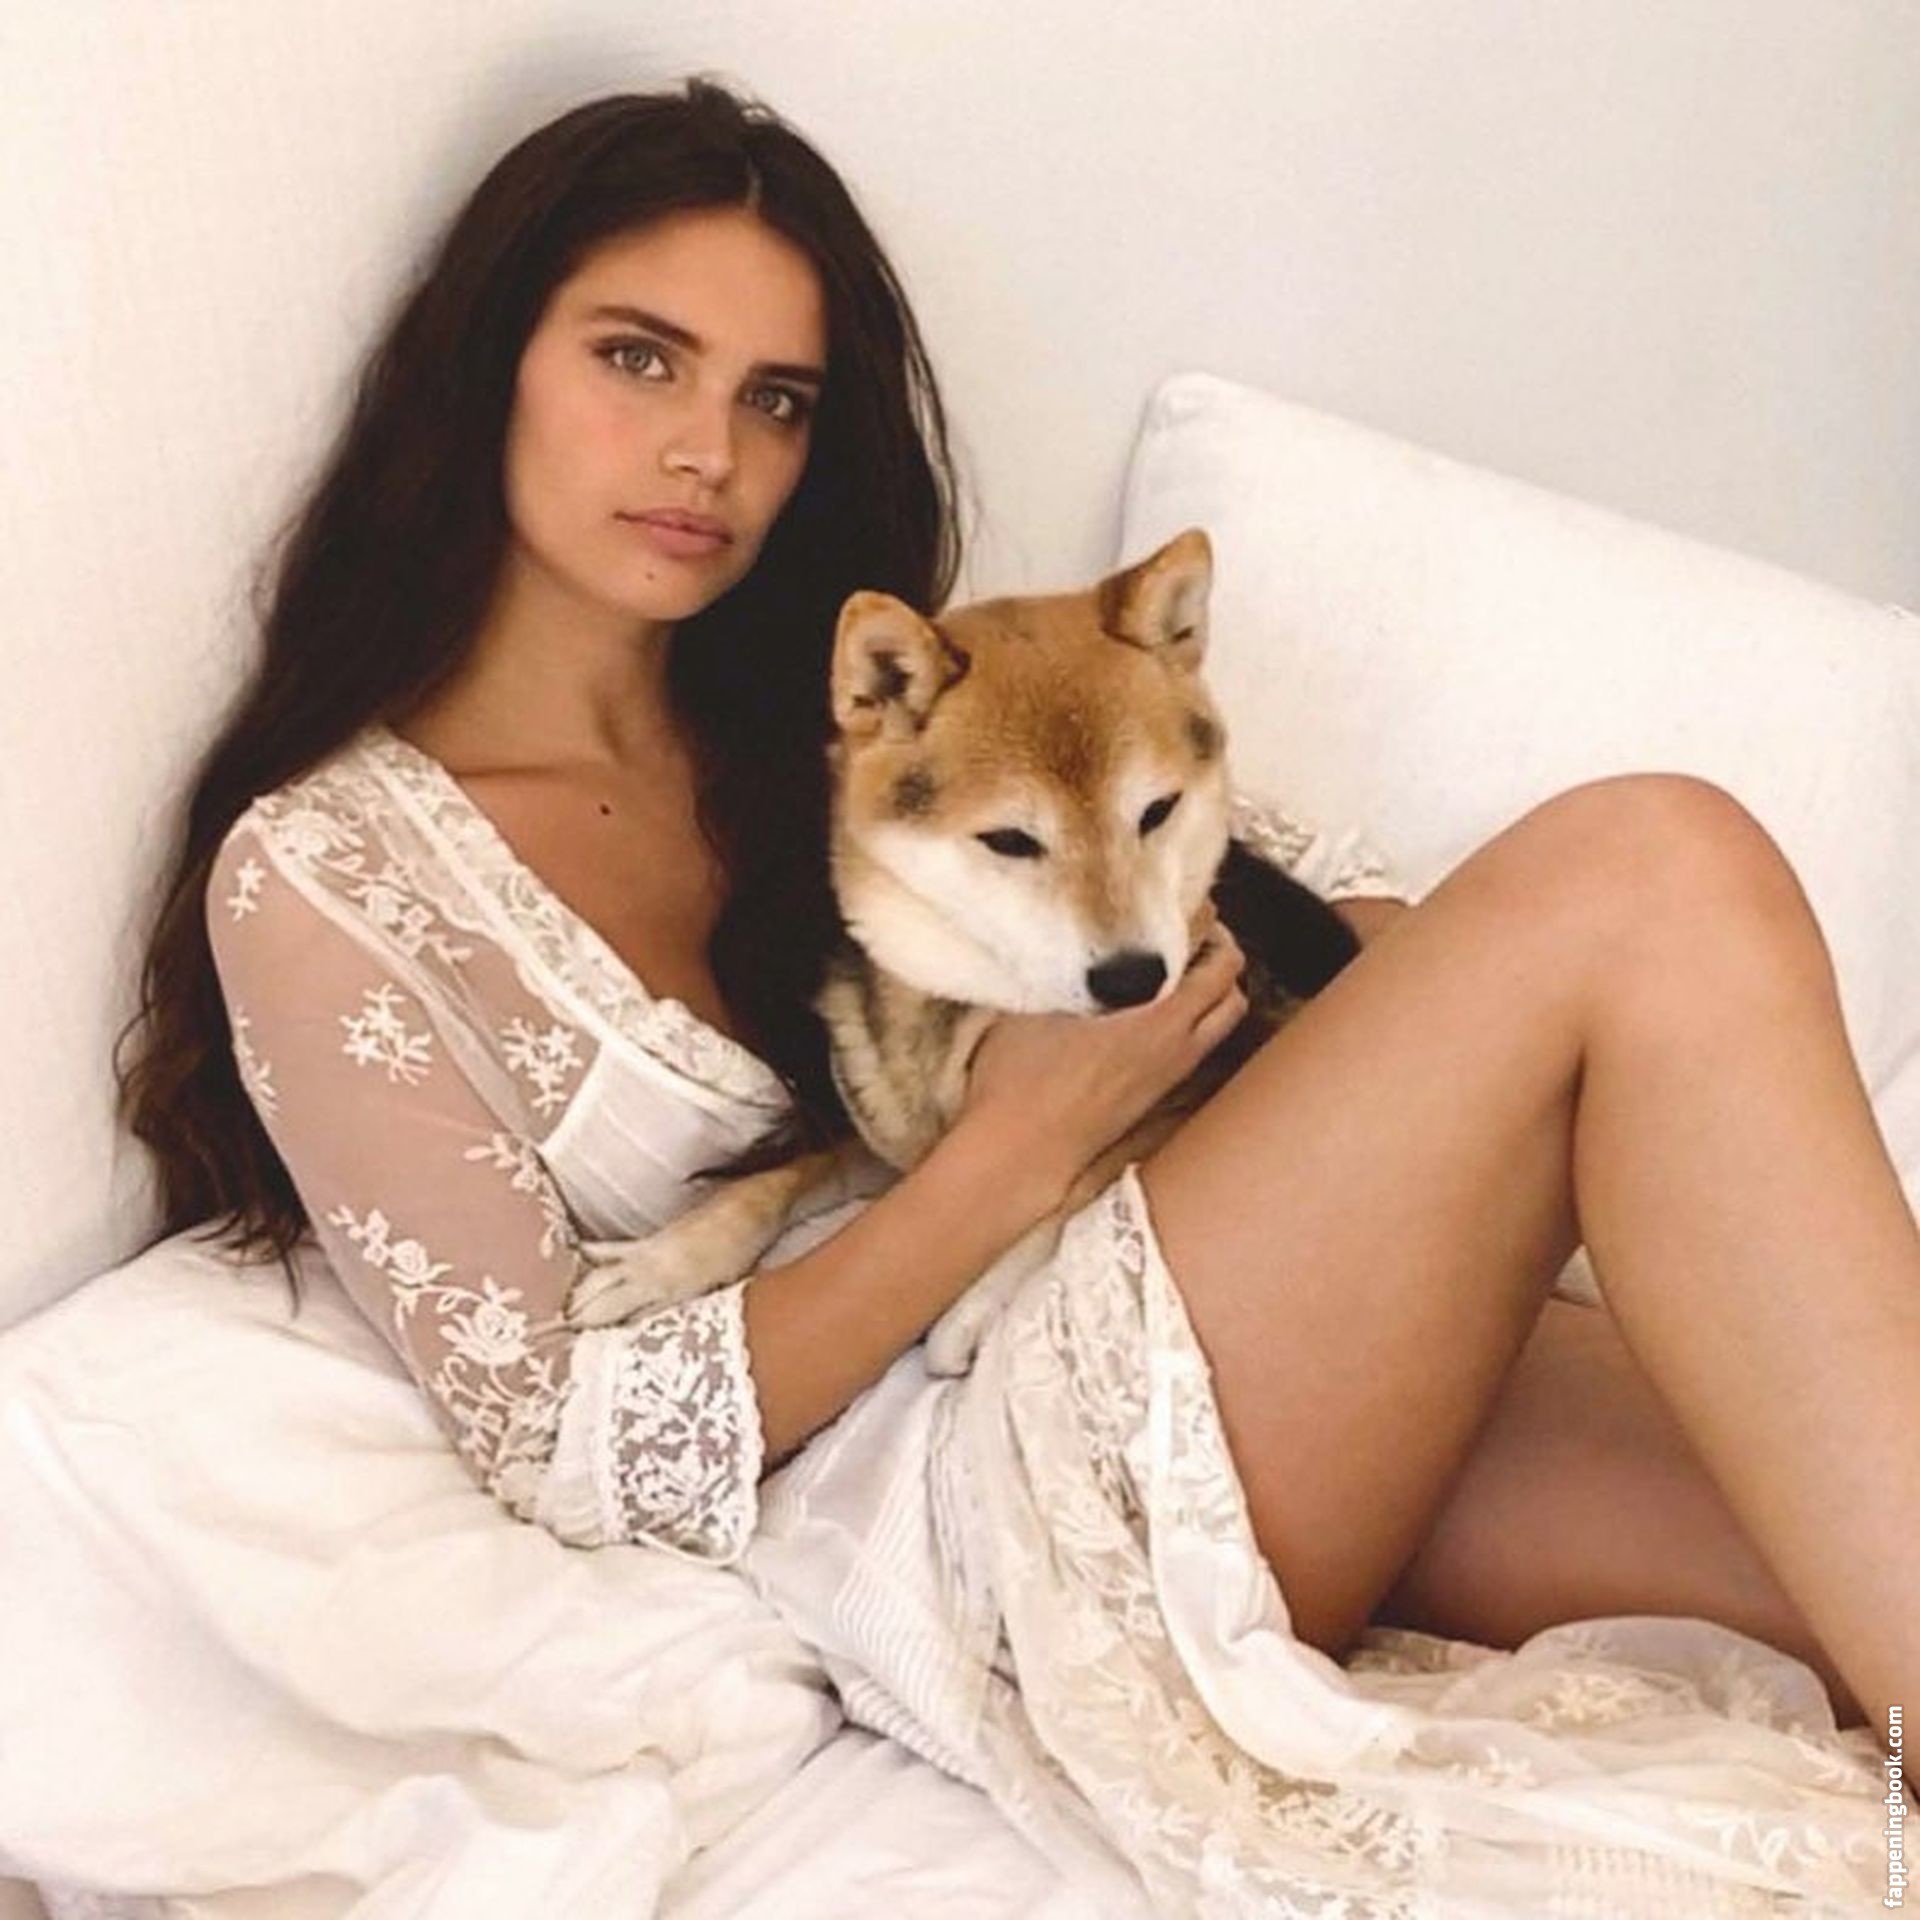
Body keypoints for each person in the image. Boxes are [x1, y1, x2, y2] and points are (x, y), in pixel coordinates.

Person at [116, 78, 1915, 1913]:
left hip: (1244, 1307)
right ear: (487, 358)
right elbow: (565, 1448)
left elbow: (1269, 894)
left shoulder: (862, 704)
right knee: (1652, 868)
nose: (706, 453)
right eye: (637, 359)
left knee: (1852, 1538)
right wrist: (1005, 1156)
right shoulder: (329, 875)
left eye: (775, 399)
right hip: (987, 1477)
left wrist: (1402, 1054)